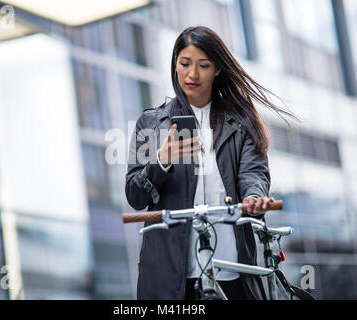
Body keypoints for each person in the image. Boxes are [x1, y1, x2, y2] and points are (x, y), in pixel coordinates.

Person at [125, 26, 297, 300]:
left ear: (217, 69)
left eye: (203, 65)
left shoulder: (241, 123)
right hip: (168, 279)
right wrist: (161, 160)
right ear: (175, 65)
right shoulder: (150, 123)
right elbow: (135, 195)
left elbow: (254, 175)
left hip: (232, 270)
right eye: (185, 64)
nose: (192, 74)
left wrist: (254, 197)